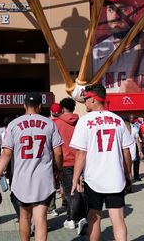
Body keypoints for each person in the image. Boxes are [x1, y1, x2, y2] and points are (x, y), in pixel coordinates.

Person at [0, 92, 63, 241]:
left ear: (24, 106)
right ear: (40, 106)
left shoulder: (13, 124)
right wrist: (59, 170)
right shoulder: (49, 123)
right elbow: (59, 153)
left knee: (24, 217)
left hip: (21, 179)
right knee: (41, 219)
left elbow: (6, 154)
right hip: (44, 180)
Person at [71, 83, 133, 241]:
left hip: (93, 178)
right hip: (115, 177)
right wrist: (127, 173)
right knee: (118, 219)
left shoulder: (84, 121)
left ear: (93, 99)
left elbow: (81, 153)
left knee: (94, 218)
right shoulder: (118, 120)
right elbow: (126, 151)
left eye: (86, 99)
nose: (84, 102)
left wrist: (75, 178)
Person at [92, 0, 144, 93]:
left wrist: (139, 93)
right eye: (110, 9)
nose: (116, 16)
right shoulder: (96, 51)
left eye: (122, 9)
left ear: (134, 11)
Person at [53, 98, 84, 230]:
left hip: (65, 162)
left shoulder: (57, 123)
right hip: (81, 160)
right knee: (80, 190)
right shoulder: (81, 122)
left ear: (62, 108)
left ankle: (73, 218)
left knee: (69, 191)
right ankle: (80, 216)